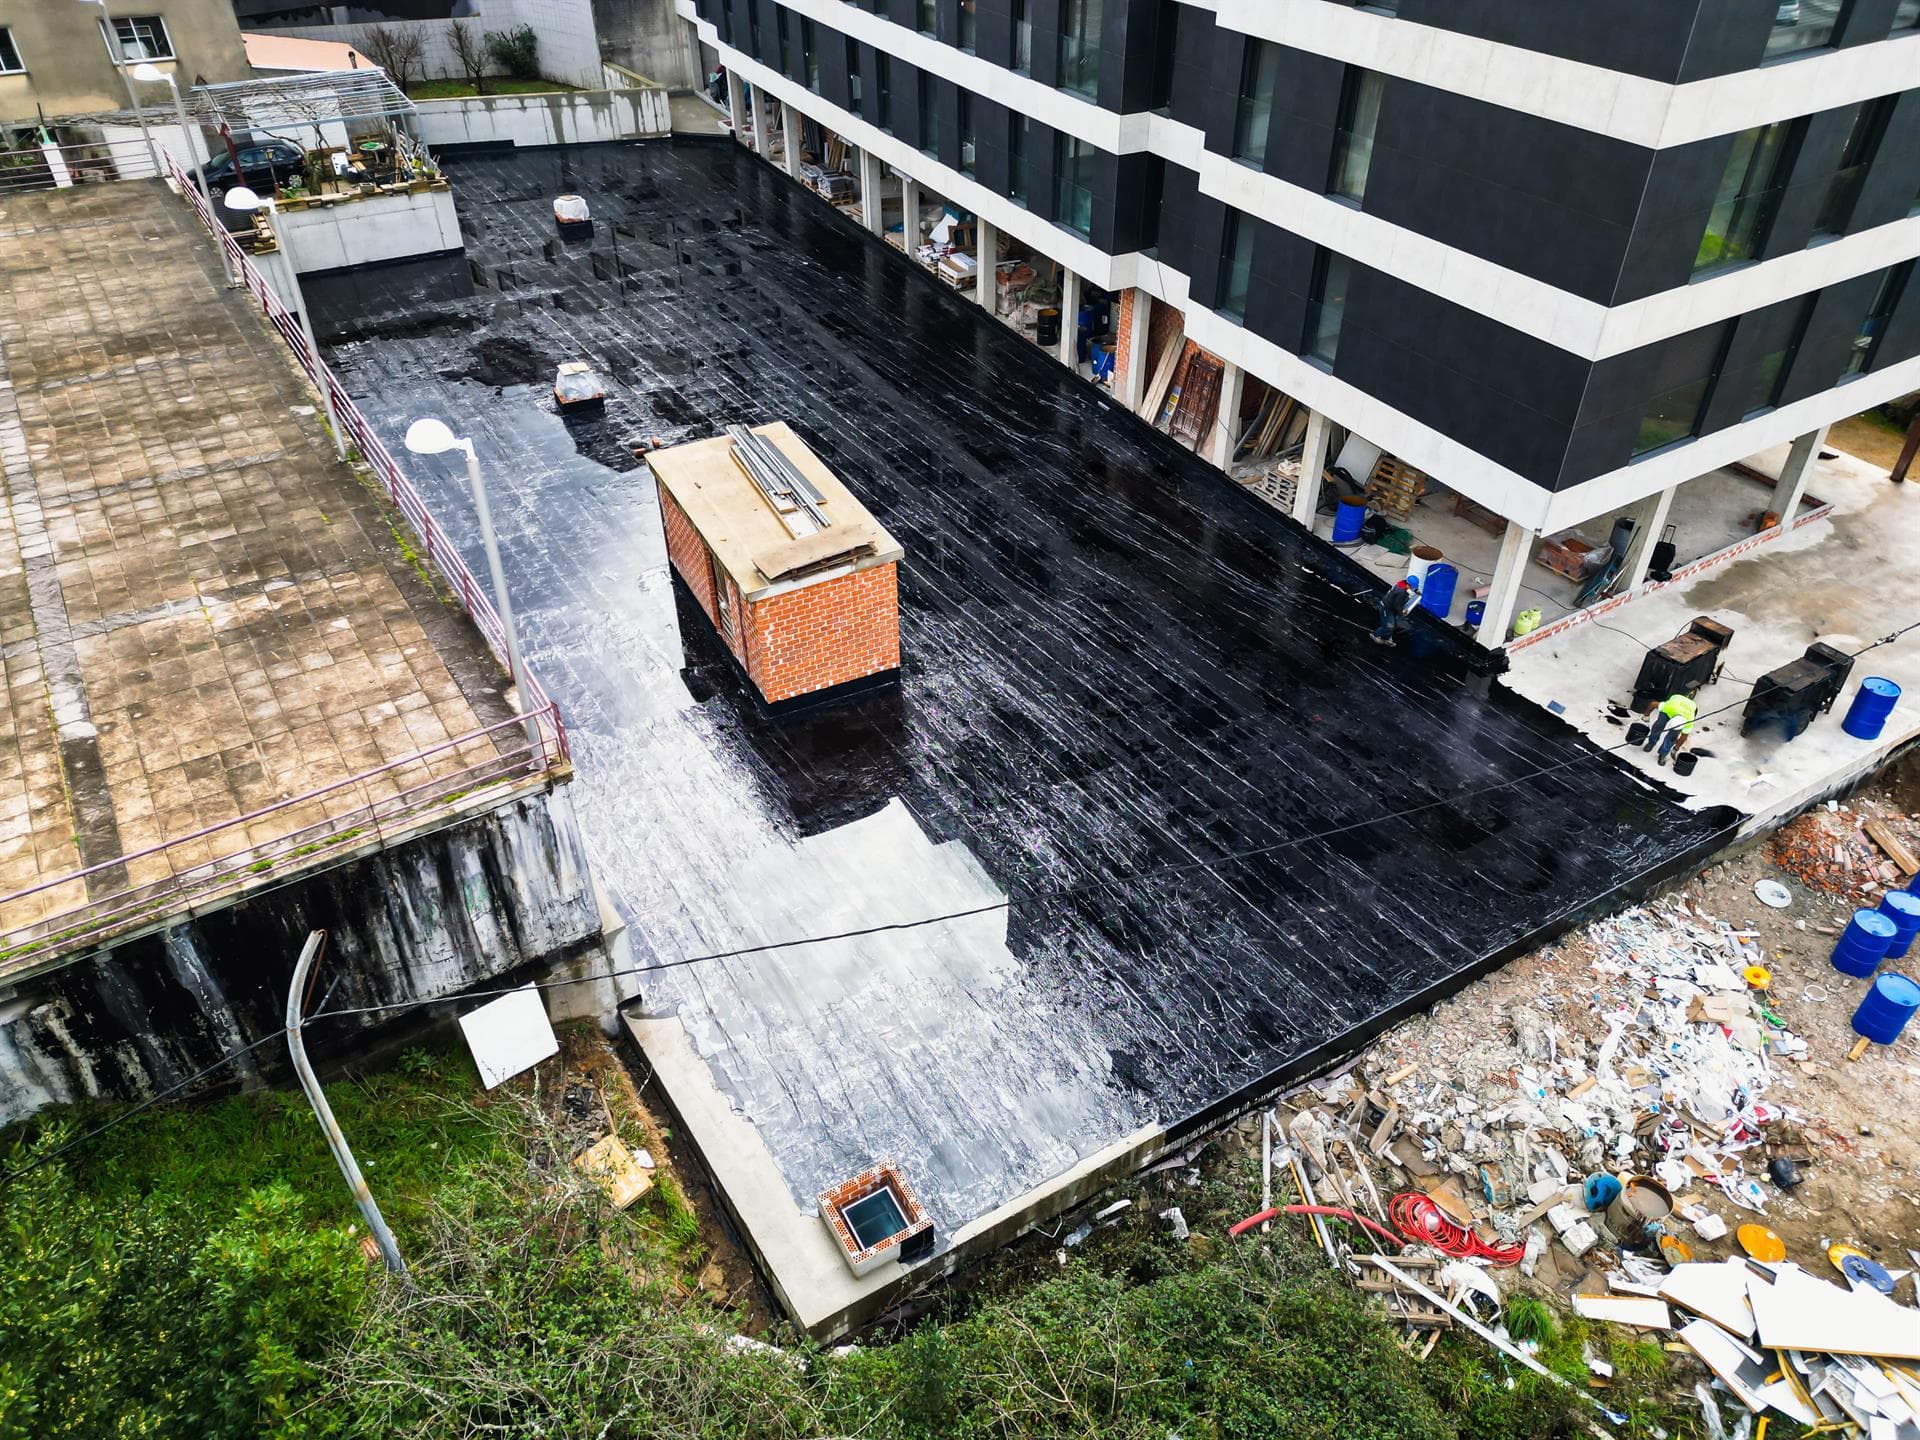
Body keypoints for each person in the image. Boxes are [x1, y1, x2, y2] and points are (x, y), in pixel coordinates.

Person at [1645, 691, 1697, 765]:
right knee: (1659, 725)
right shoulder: (1668, 707)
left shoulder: (1689, 722)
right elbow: (1653, 704)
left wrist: (1676, 748)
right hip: (1676, 701)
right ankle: (1651, 743)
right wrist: (1646, 715)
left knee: (1672, 737)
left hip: (1689, 707)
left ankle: (1663, 753)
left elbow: (1683, 737)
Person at [1372, 574, 1420, 646]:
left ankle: (1387, 637)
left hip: (1392, 605)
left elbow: (1410, 587)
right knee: (1389, 626)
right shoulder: (1401, 593)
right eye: (1413, 587)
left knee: (1393, 622)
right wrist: (1402, 613)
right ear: (1409, 586)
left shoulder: (1402, 583)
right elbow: (1397, 606)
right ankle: (1375, 634)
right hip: (1386, 607)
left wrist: (1416, 590)